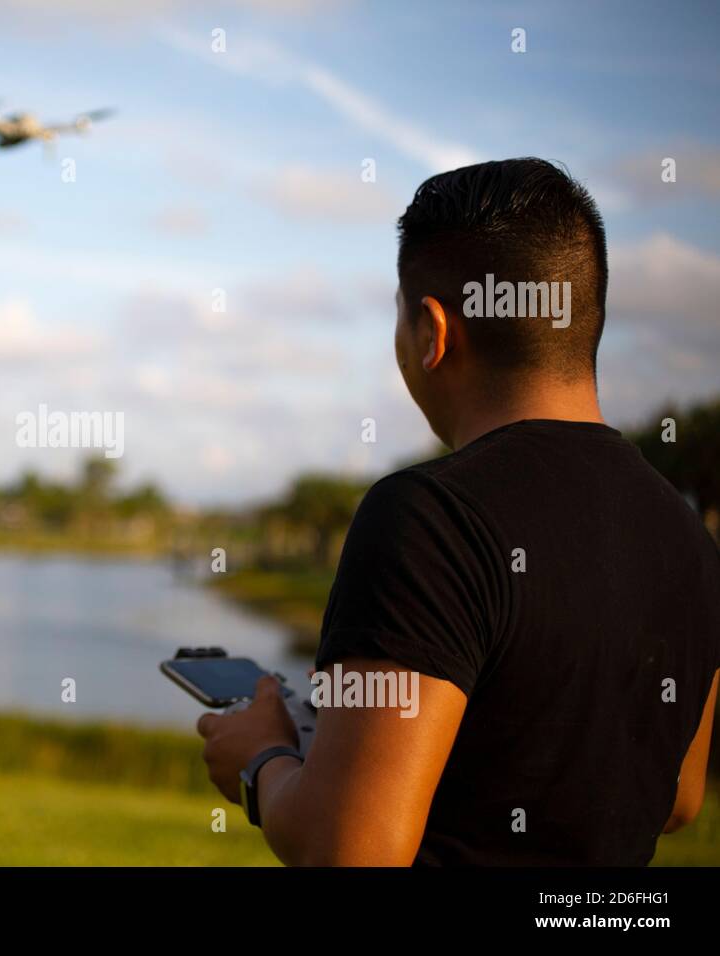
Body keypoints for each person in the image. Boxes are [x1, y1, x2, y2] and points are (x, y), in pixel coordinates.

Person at [198, 158, 720, 865]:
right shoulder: (687, 535)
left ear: (432, 332)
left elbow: (353, 850)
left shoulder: (428, 517)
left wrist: (261, 760)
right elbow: (681, 798)